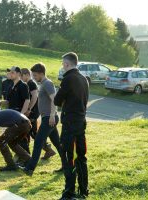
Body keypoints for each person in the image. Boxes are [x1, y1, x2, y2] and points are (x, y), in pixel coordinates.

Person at [54, 52, 89, 199]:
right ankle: (83, 189)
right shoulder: (84, 79)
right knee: (81, 157)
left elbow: (57, 100)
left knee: (69, 158)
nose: (62, 67)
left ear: (67, 64)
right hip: (81, 122)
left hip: (69, 124)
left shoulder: (68, 79)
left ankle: (69, 193)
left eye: (63, 64)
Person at [20, 63, 63, 176]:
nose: (33, 77)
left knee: (38, 142)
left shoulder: (47, 83)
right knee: (58, 144)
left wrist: (53, 115)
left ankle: (30, 168)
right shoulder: (43, 84)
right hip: (48, 118)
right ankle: (67, 165)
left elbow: (55, 100)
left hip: (50, 118)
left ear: (41, 73)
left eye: (35, 75)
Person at [21, 68, 56, 159]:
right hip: (37, 112)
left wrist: (29, 109)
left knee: (34, 133)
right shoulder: (29, 83)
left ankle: (46, 151)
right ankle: (48, 150)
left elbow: (34, 97)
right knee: (35, 133)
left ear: (27, 75)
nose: (21, 77)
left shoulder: (31, 83)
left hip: (33, 112)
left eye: (22, 75)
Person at [0, 66, 30, 154]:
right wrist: (2, 102)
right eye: (10, 72)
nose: (10, 74)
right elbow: (9, 101)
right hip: (12, 116)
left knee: (20, 139)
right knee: (15, 139)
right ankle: (23, 158)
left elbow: (27, 100)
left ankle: (26, 159)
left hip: (19, 116)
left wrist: (21, 116)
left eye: (13, 72)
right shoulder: (11, 85)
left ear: (19, 74)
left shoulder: (23, 85)